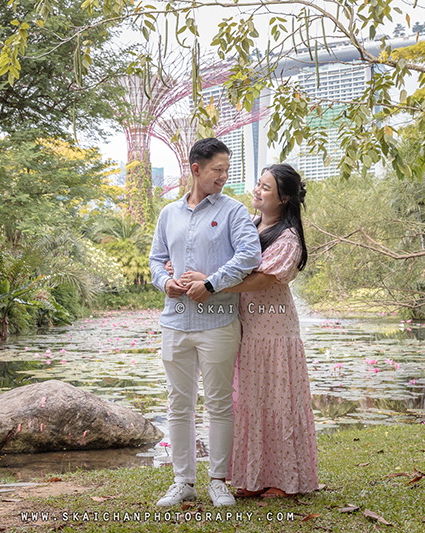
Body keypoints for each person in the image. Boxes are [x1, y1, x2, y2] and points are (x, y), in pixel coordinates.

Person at [180, 163, 319, 498]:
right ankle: (253, 477)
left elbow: (262, 278)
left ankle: (282, 481)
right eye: (258, 184)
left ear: (284, 198)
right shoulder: (253, 224)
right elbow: (228, 262)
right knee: (248, 402)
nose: (257, 190)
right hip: (245, 325)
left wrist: (211, 285)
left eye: (266, 187)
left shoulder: (288, 238)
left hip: (273, 330)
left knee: (276, 400)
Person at [149, 138, 262, 507]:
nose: (224, 177)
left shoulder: (234, 211)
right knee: (178, 405)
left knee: (218, 404)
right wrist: (165, 282)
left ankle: (217, 481)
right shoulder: (168, 214)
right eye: (218, 170)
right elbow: (156, 259)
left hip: (218, 323)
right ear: (196, 170)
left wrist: (211, 283)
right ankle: (183, 481)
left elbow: (249, 255)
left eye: (227, 170)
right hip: (175, 323)